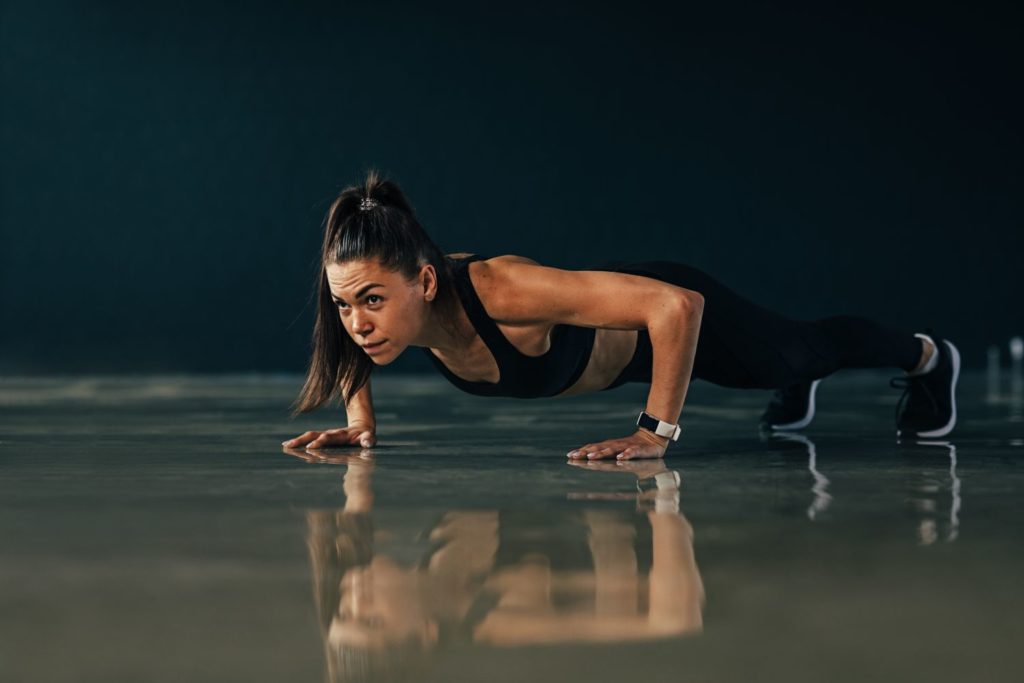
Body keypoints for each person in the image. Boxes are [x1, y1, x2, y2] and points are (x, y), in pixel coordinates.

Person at [283, 170, 960, 459]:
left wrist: (653, 434)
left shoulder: (502, 291)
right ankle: (796, 381)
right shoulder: (386, 306)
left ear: (425, 281)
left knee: (800, 352)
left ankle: (929, 355)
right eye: (345, 305)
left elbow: (676, 306)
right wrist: (359, 420)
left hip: (672, 313)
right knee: (783, 364)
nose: (358, 323)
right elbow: (351, 338)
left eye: (372, 301)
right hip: (640, 332)